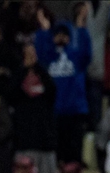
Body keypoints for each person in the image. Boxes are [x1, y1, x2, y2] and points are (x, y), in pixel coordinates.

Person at [34, 8, 92, 162]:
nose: (61, 37)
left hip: (75, 111)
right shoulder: (48, 57)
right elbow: (39, 51)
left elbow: (87, 53)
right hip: (55, 111)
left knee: (74, 153)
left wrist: (81, 29)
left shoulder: (76, 56)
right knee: (57, 152)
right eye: (58, 34)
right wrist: (44, 30)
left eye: (64, 34)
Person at [10, 43, 58, 173]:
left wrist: (37, 67)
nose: (30, 58)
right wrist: (24, 70)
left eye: (33, 54)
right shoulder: (17, 76)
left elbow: (52, 91)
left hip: (45, 144)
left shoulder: (44, 76)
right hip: (24, 143)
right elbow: (11, 94)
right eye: (27, 54)